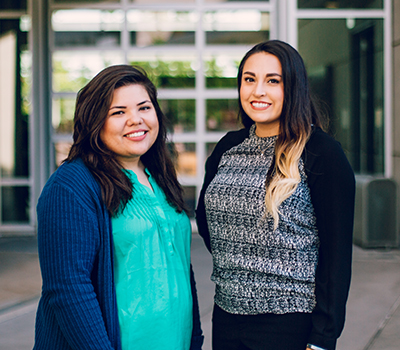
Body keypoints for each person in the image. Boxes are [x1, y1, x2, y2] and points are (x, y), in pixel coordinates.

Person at [196, 40, 355, 350]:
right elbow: (206, 218)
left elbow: (336, 257)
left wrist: (323, 338)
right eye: (249, 79)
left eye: (273, 81)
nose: (258, 91)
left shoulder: (321, 153)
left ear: (294, 87)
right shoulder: (228, 147)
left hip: (289, 325)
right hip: (226, 317)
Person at [34, 64, 203, 350]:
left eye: (144, 108)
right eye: (118, 112)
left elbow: (181, 271)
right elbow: (68, 290)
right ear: (94, 122)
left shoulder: (160, 178)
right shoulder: (71, 186)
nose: (135, 120)